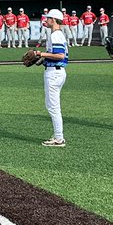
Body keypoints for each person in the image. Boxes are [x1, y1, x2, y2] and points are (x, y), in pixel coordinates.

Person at [39, 9, 69, 147]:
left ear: (54, 20)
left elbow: (60, 55)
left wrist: (41, 53)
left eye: (48, 18)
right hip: (56, 71)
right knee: (52, 106)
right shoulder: (57, 34)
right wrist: (42, 59)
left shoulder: (56, 35)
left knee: (53, 107)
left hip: (54, 73)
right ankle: (58, 136)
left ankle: (59, 138)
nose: (46, 20)